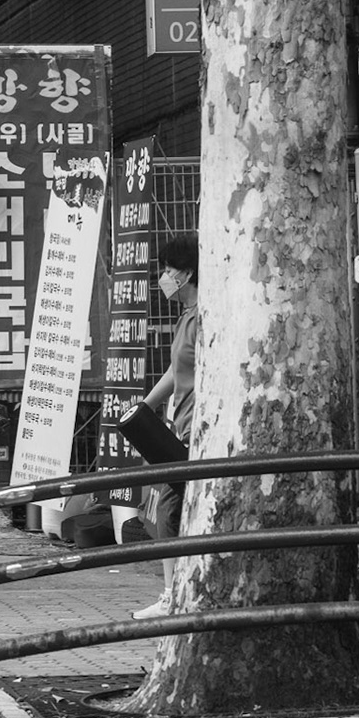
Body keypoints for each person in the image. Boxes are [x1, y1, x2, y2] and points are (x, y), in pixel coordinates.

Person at [132, 234, 199, 621]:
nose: (163, 276)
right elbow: (178, 370)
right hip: (181, 424)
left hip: (195, 429)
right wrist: (146, 406)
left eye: (169, 270)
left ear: (187, 273)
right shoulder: (185, 318)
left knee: (172, 509)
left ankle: (174, 594)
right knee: (168, 509)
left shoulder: (202, 318)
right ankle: (173, 592)